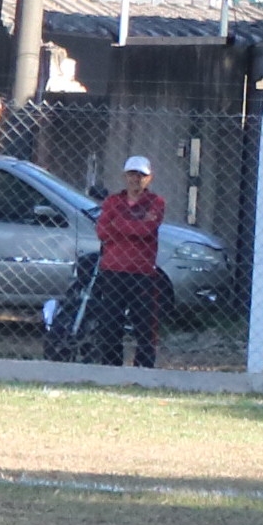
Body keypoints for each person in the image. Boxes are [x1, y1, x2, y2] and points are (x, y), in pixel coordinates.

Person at [93, 155, 165, 368]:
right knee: (110, 323)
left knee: (144, 324)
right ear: (125, 176)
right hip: (113, 270)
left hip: (142, 272)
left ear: (149, 178)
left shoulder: (156, 202)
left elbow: (147, 230)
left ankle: (143, 368)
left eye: (141, 175)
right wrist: (133, 226)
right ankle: (111, 366)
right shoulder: (112, 201)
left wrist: (118, 224)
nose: (136, 179)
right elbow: (102, 231)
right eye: (132, 174)